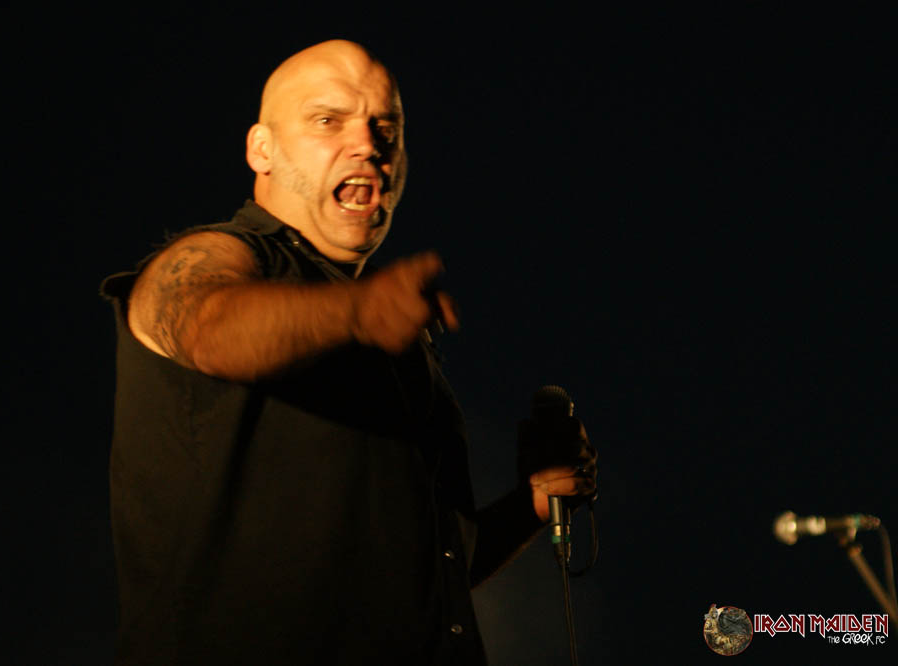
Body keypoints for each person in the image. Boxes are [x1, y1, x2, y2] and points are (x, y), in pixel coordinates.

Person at [101, 39, 596, 665]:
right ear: (262, 149)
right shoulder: (219, 258)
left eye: (385, 128)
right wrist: (358, 313)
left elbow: (425, 578)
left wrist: (531, 506)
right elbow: (203, 324)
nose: (366, 144)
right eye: (327, 120)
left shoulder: (392, 330)